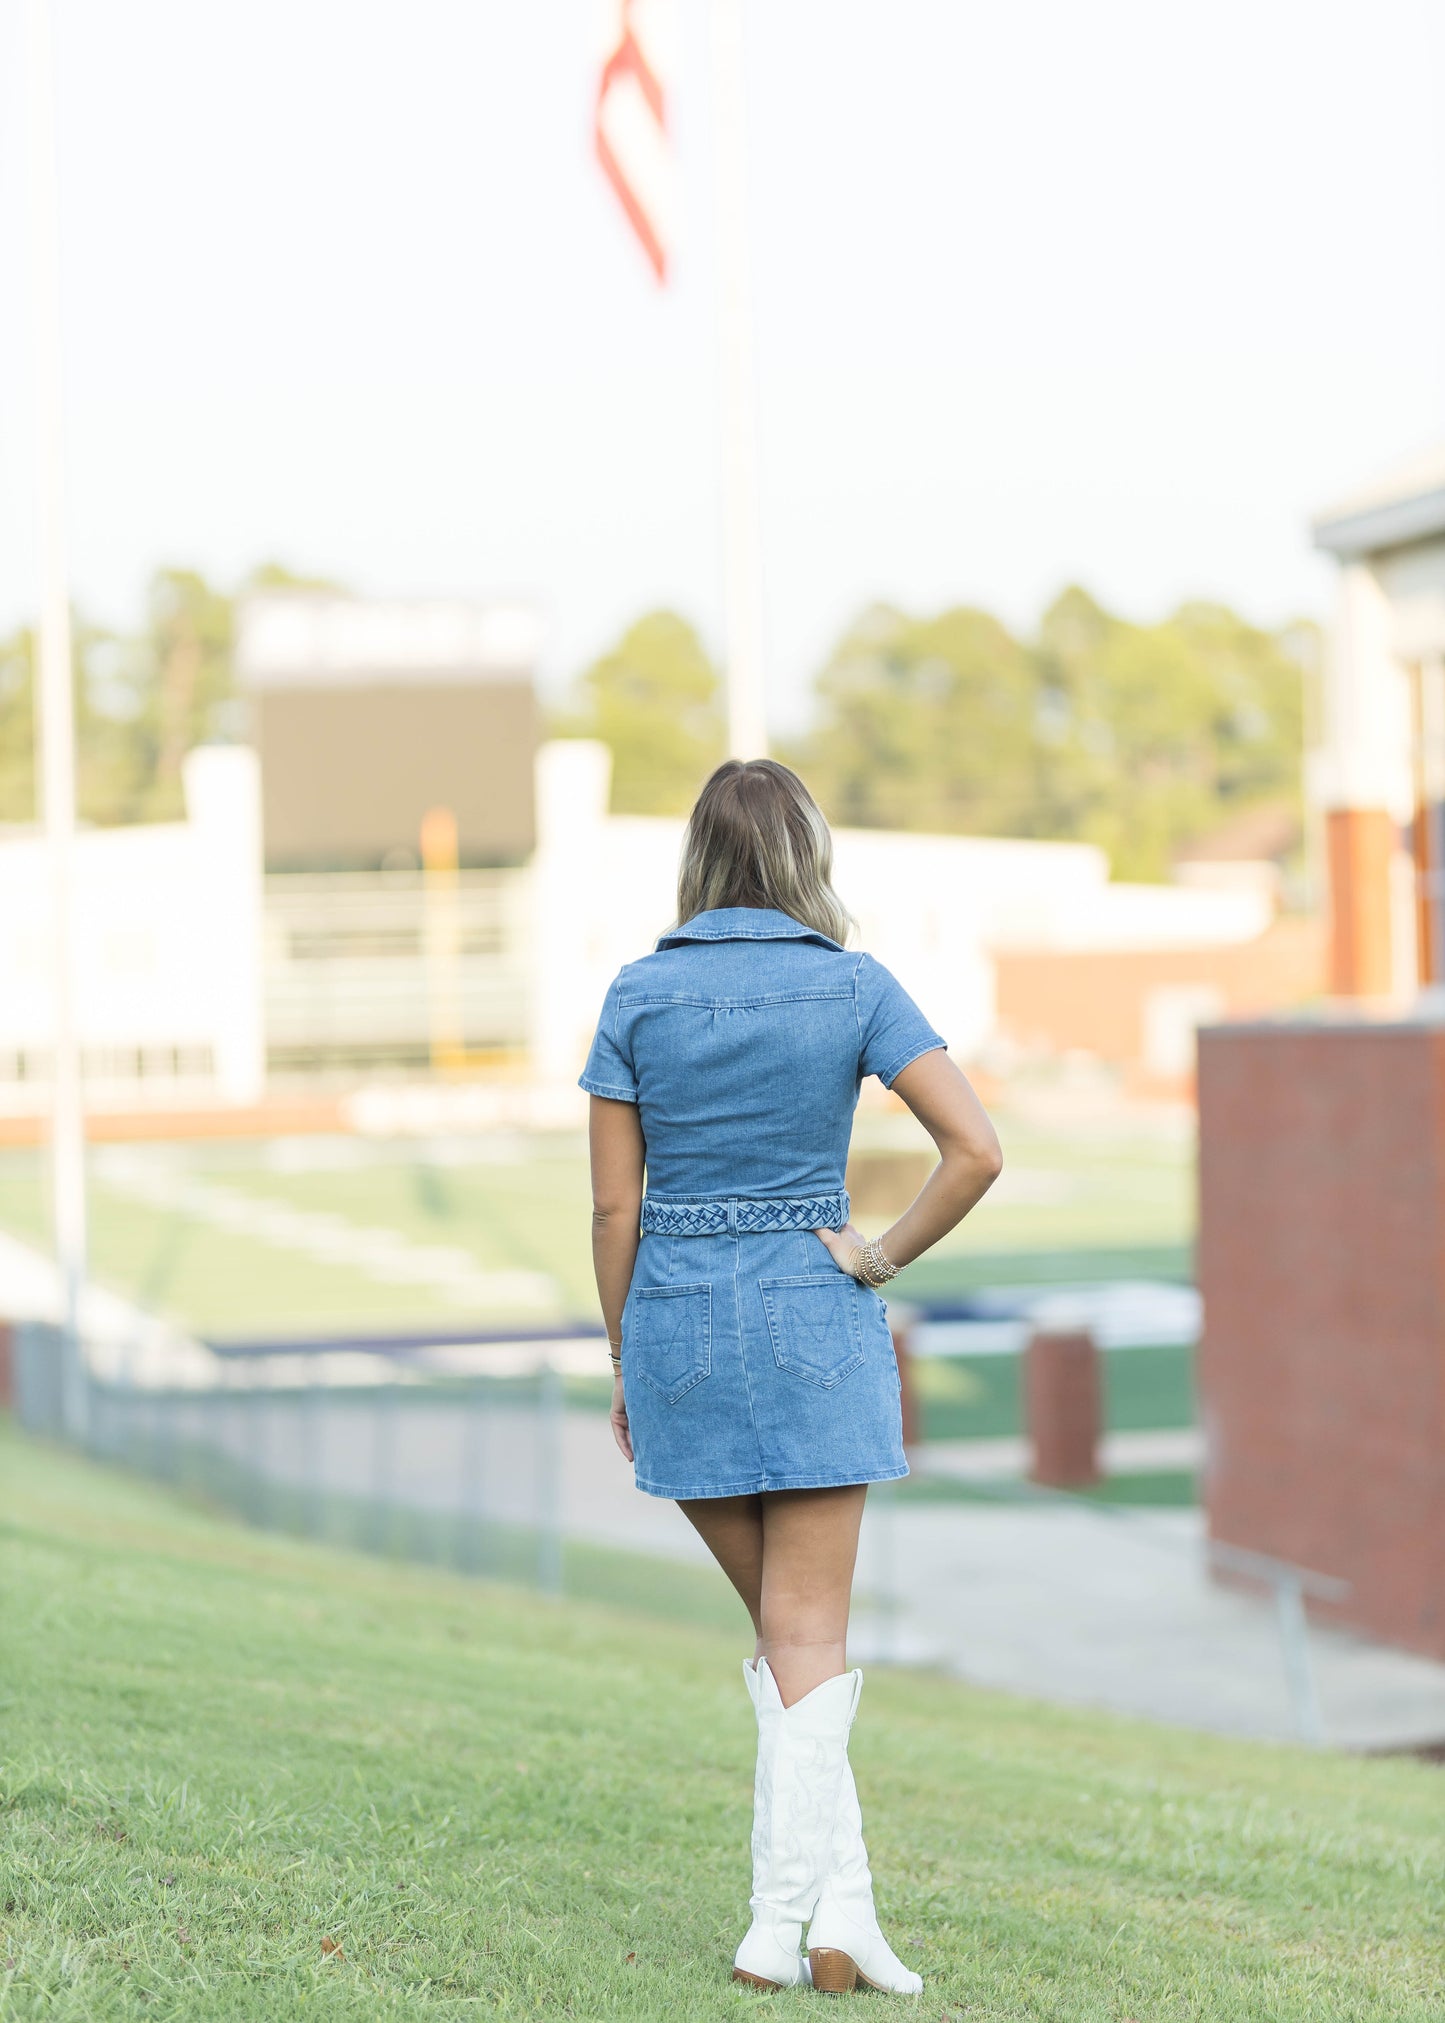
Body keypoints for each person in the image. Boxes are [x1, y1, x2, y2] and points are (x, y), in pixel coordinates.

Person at [580, 758, 1002, 1996]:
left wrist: (623, 1352)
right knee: (805, 1641)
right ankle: (783, 1926)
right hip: (818, 1317)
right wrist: (876, 1253)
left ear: (697, 864)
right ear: (806, 858)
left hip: (677, 1327)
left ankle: (840, 1923)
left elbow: (615, 1207)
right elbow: (973, 1149)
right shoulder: (854, 985)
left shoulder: (636, 992)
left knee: (787, 1646)